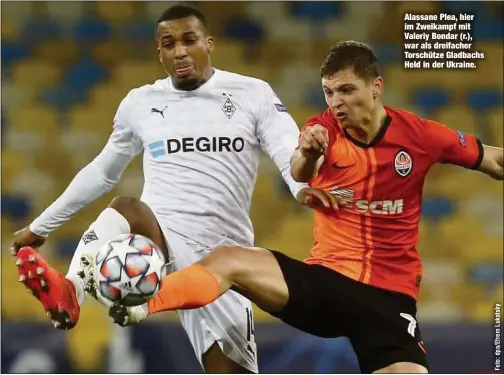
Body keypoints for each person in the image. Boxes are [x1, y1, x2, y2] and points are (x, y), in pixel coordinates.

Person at [98, 41, 504, 374]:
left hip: (388, 301)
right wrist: (307, 153)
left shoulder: (421, 135)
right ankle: (142, 304)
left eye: (347, 90)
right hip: (325, 284)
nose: (337, 102)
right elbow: (300, 168)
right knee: (227, 260)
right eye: (329, 92)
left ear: (376, 86)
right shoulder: (323, 129)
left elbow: (491, 158)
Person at [11, 5, 341, 374]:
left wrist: (301, 189)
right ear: (160, 52)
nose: (180, 51)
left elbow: (287, 150)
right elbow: (102, 171)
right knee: (127, 208)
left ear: (208, 43)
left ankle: (114, 297)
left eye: (189, 40)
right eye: (169, 44)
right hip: (162, 242)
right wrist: (40, 226)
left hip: (222, 261)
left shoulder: (252, 93)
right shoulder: (141, 102)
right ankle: (70, 292)